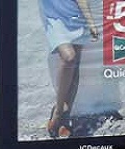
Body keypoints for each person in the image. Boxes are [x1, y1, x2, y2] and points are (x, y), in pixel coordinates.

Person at [38, 0, 101, 138]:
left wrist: (90, 22)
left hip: (76, 16)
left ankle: (64, 119)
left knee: (74, 66)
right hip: (54, 16)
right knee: (69, 57)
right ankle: (59, 110)